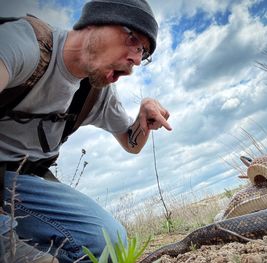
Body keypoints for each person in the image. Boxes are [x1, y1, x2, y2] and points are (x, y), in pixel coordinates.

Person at [0, 0, 171, 262]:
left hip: (20, 184)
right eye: (133, 39)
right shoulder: (23, 43)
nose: (136, 59)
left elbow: (131, 143)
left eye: (143, 52)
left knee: (111, 245)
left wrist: (143, 116)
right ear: (96, 21)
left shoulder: (94, 93)